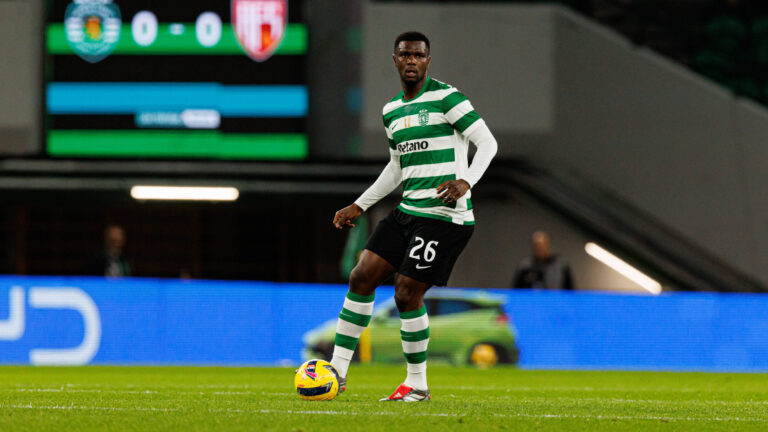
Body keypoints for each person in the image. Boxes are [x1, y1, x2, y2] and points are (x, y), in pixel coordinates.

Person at [330, 31, 498, 402]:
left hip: (445, 216)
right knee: (361, 276)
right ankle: (336, 373)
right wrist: (360, 204)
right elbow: (396, 168)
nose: (411, 61)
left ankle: (417, 384)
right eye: (405, 55)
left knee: (406, 293)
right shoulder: (392, 110)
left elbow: (487, 142)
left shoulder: (447, 97)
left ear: (427, 61)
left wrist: (465, 181)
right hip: (408, 211)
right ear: (394, 59)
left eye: (418, 56)